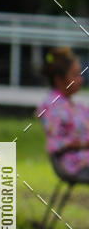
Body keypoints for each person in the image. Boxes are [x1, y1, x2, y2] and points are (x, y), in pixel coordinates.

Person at [35, 47, 89, 182]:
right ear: (59, 79)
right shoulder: (53, 107)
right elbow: (54, 144)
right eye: (75, 75)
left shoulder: (72, 106)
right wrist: (82, 143)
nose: (80, 80)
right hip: (75, 165)